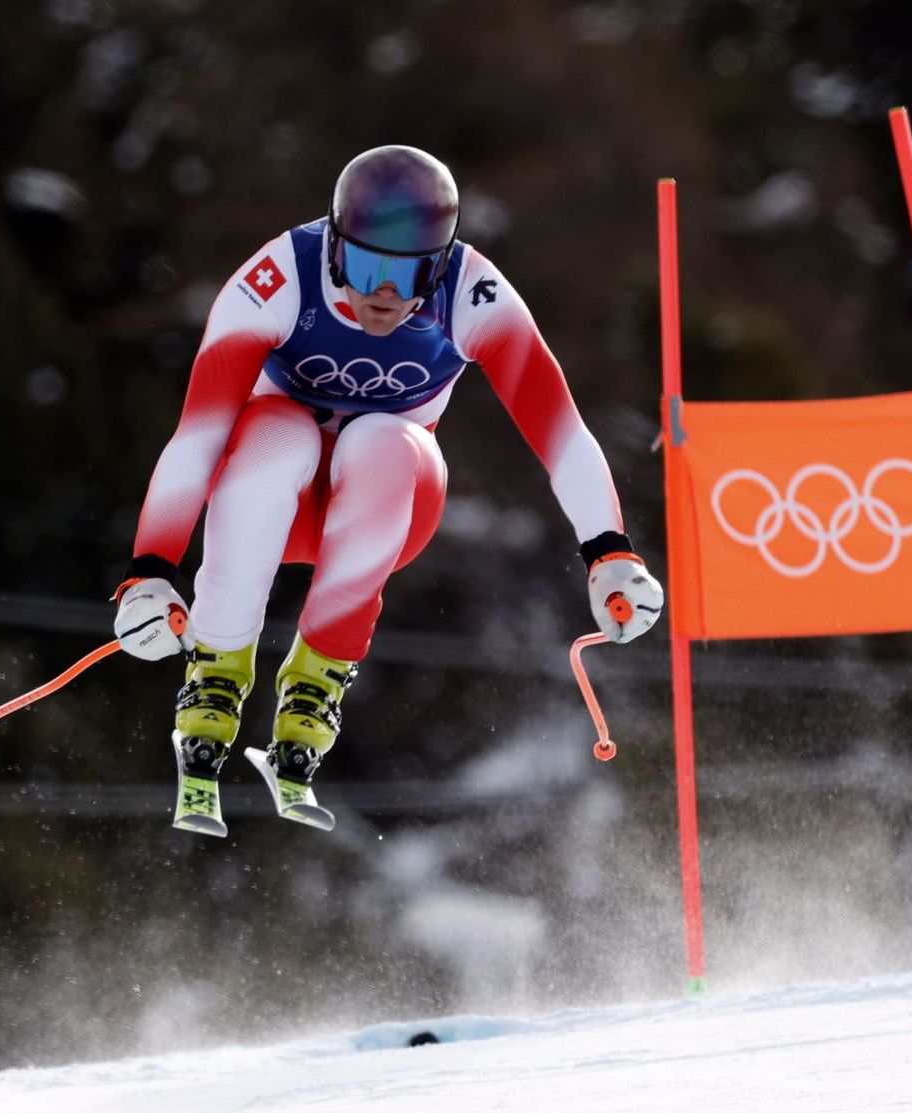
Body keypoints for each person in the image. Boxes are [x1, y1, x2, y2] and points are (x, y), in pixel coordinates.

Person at [111, 144, 663, 834]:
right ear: (335, 245)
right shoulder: (279, 277)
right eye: (369, 269)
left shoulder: (473, 294)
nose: (386, 296)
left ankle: (317, 681)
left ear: (443, 263)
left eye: (413, 277)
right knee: (276, 430)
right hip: (266, 505)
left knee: (383, 438)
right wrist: (151, 570)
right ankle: (216, 668)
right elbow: (197, 437)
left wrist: (609, 551)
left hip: (389, 505)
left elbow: (562, 434)